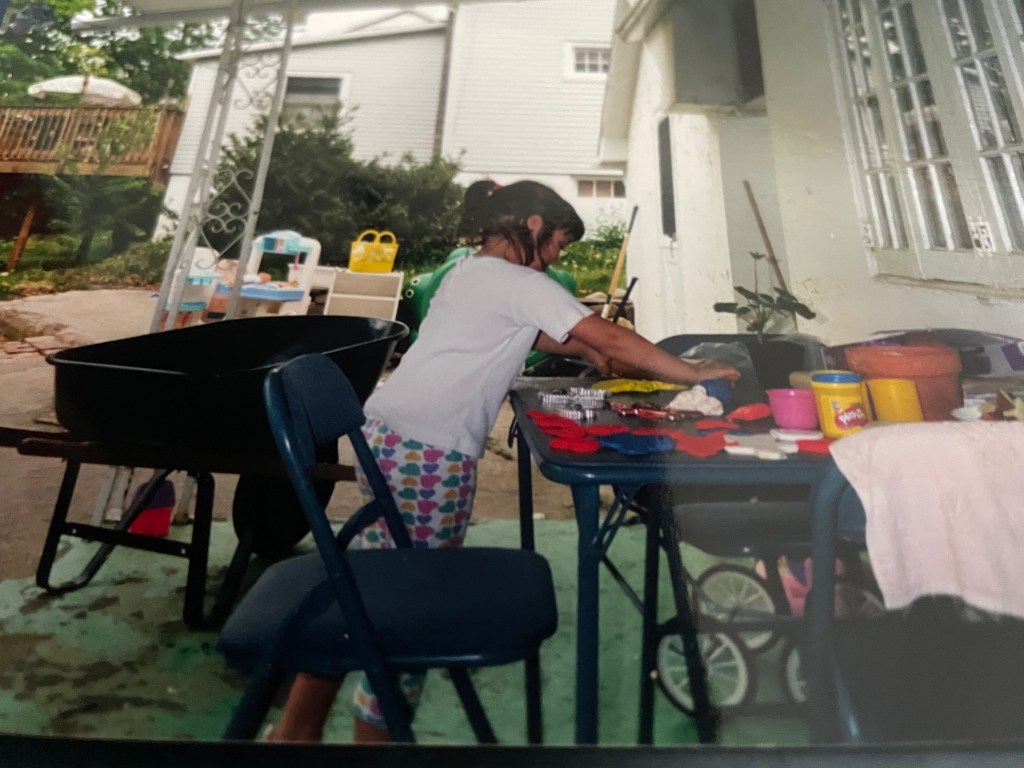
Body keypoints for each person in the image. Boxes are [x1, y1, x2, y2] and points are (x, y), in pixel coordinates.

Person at [266, 180, 741, 743]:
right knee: (410, 608)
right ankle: (377, 742)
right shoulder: (518, 280)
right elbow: (608, 334)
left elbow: (535, 331)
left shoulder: (470, 269)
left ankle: (296, 731)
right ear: (535, 226)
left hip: (392, 436)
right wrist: (692, 373)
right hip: (431, 452)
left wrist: (587, 349)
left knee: (369, 589)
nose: (559, 258)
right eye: (561, 244)